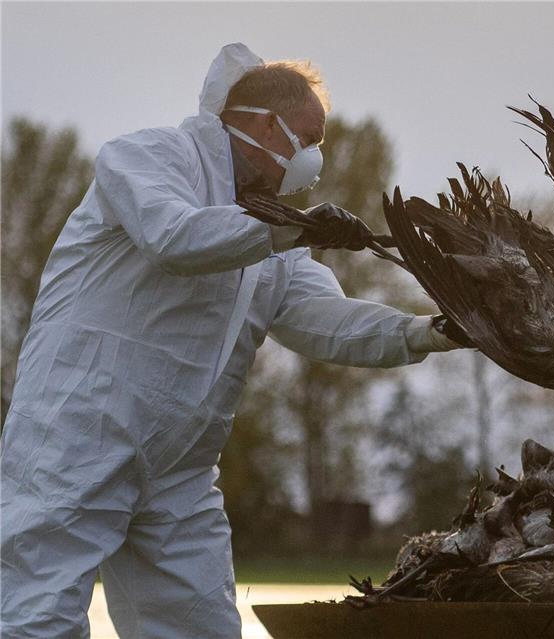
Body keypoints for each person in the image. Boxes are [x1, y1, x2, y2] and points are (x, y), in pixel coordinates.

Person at [0, 42, 464, 638]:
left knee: (201, 628)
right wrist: (292, 227)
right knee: (36, 617)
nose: (313, 160)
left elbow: (326, 320)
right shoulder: (150, 158)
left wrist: (432, 331)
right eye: (308, 138)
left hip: (180, 470)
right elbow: (174, 236)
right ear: (262, 125)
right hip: (77, 437)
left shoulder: (267, 233)